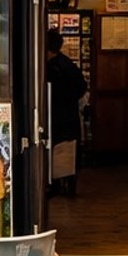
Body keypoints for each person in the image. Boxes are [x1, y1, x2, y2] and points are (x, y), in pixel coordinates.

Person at [45, 28, 88, 197]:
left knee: (55, 151)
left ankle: (54, 186)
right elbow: (81, 88)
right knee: (68, 153)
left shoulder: (48, 68)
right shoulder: (69, 65)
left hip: (55, 117)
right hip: (69, 116)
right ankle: (70, 188)